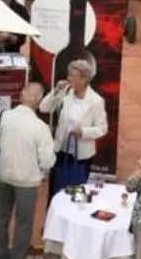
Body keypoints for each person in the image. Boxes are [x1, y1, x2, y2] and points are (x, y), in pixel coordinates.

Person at [0, 83, 57, 259]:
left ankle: (0, 258)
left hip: (3, 174)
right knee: (24, 222)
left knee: (1, 218)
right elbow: (48, 160)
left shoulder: (4, 116)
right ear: (38, 101)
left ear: (21, 95)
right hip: (27, 180)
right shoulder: (40, 127)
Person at [42, 60, 108, 194]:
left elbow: (102, 128)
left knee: (76, 192)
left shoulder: (96, 101)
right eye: (69, 75)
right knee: (55, 191)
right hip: (60, 150)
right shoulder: (65, 92)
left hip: (82, 155)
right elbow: (44, 108)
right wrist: (56, 90)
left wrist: (83, 132)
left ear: (83, 79)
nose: (68, 78)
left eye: (72, 76)